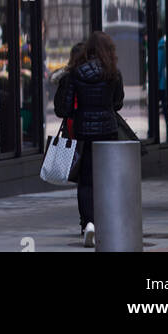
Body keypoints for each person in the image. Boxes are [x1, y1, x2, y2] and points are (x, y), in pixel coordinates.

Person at [55, 30, 124, 247]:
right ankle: (108, 222)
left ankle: (88, 224)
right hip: (108, 130)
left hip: (84, 131)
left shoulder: (75, 73)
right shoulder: (113, 73)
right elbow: (118, 103)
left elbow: (64, 108)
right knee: (107, 179)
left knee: (86, 181)